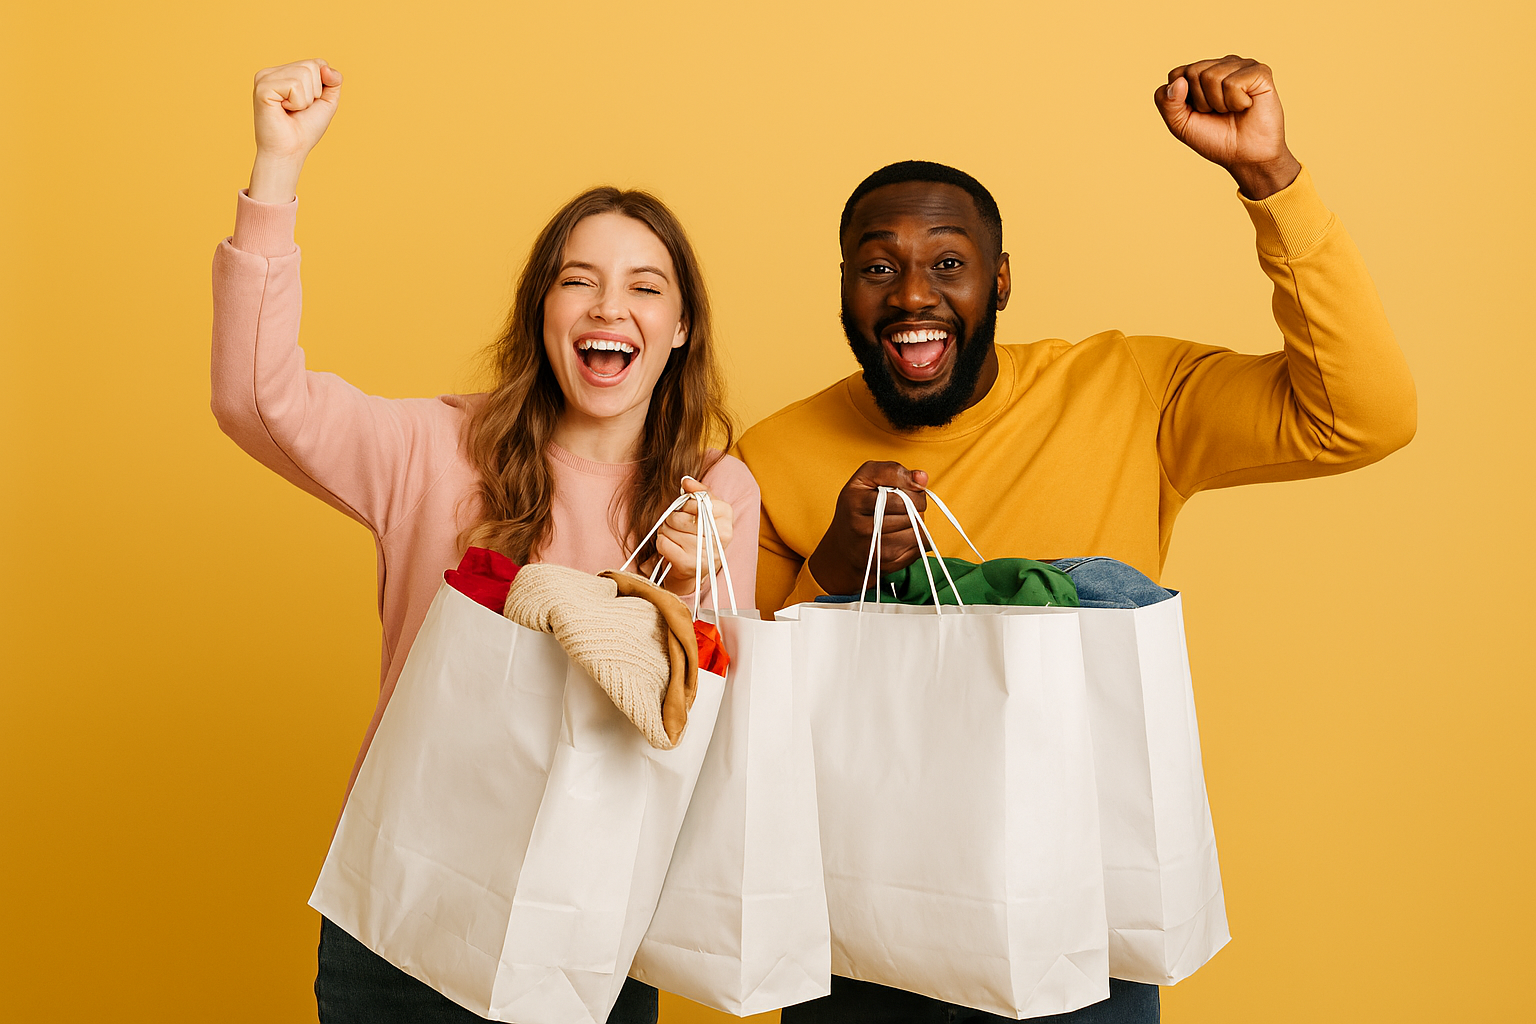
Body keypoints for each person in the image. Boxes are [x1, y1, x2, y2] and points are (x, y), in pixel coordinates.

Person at [734, 55, 1416, 1022]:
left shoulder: (1130, 393)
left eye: (949, 264)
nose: (913, 295)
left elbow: (1365, 416)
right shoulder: (776, 453)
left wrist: (1272, 182)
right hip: (857, 926)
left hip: (1079, 914)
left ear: (1001, 281)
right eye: (879, 266)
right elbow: (738, 710)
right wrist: (838, 571)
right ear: (845, 287)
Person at [210, 58, 759, 1024]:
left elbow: (723, 734)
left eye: (644, 287)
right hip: (407, 908)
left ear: (678, 329)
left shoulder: (712, 493)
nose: (607, 307)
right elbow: (259, 400)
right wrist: (277, 168)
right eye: (577, 281)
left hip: (594, 925)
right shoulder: (433, 450)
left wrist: (698, 594)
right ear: (542, 313)